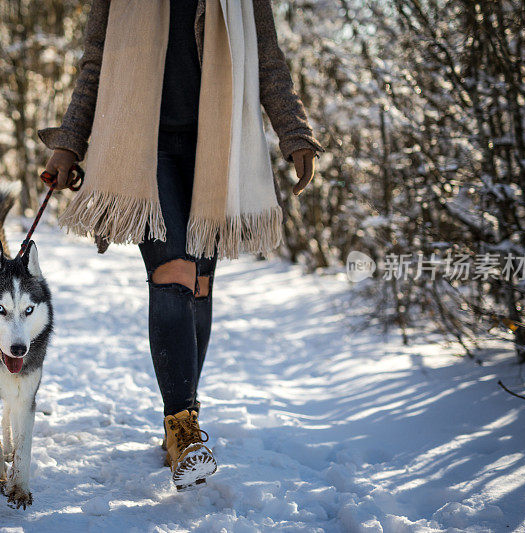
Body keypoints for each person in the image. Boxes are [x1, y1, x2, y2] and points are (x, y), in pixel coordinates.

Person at [38, 0, 323, 491]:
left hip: (217, 144)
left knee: (200, 282)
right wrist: (69, 144)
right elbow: (96, 61)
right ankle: (181, 430)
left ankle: (185, 413)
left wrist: (294, 133)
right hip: (142, 147)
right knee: (173, 271)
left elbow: (268, 59)